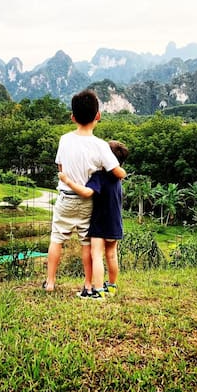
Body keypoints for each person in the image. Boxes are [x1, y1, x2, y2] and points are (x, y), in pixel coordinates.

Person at [43, 90, 126, 293]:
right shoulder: (100, 145)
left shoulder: (64, 139)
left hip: (65, 199)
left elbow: (60, 168)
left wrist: (68, 179)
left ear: (72, 117)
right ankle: (88, 284)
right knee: (87, 244)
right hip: (87, 202)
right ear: (98, 115)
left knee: (56, 239)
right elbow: (117, 172)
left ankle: (50, 282)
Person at [58, 140, 129, 299]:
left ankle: (97, 290)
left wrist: (67, 181)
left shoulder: (99, 176)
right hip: (115, 222)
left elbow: (87, 192)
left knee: (96, 254)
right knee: (112, 255)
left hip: (100, 222)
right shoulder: (117, 177)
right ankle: (111, 286)